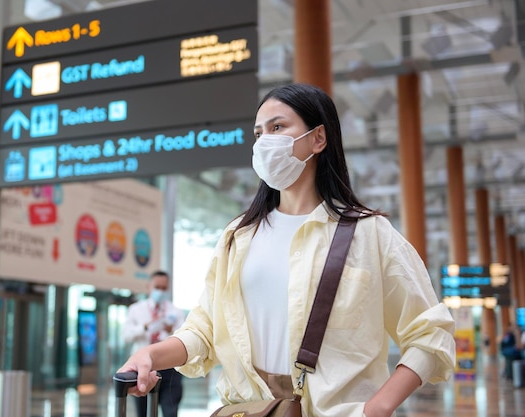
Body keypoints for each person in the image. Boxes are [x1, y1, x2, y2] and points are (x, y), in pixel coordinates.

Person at [118, 83, 456, 417]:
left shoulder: (370, 235)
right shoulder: (238, 236)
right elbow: (203, 330)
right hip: (250, 410)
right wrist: (150, 355)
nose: (265, 140)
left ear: (318, 138)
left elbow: (429, 331)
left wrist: (379, 407)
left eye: (278, 127)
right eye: (258, 132)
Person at [122, 270, 185, 417]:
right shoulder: (136, 310)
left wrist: (171, 330)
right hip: (143, 367)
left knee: (171, 411)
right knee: (143, 411)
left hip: (169, 367)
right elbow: (126, 336)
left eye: (164, 288)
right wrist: (144, 327)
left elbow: (183, 338)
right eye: (157, 287)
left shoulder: (175, 312)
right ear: (149, 286)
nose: (160, 291)